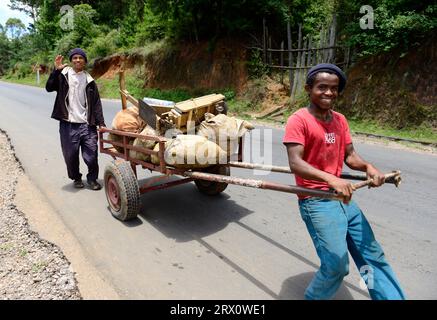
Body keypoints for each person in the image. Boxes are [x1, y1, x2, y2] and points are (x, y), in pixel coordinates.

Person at [283, 63, 405, 300]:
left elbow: (349, 156)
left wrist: (368, 167)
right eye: (322, 87)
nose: (329, 93)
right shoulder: (298, 120)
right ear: (309, 89)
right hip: (316, 200)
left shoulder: (339, 119)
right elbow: (295, 163)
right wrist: (331, 178)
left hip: (344, 198)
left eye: (334, 88)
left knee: (372, 255)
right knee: (336, 266)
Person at [46, 48, 106, 190]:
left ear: (85, 61)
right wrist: (56, 71)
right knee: (70, 156)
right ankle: (76, 178)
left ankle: (92, 179)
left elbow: (96, 103)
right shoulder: (63, 75)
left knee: (91, 155)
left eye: (81, 58)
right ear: (71, 60)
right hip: (68, 124)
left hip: (87, 124)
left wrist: (100, 122)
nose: (78, 60)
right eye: (75, 58)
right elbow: (49, 87)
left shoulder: (90, 80)